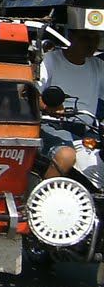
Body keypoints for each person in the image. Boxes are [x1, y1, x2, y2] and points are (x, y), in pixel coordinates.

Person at [37, 26, 104, 178]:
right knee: (66, 156)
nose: (91, 44)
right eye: (86, 38)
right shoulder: (52, 60)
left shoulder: (98, 66)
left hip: (87, 129)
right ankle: (45, 198)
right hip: (54, 126)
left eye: (96, 38)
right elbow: (33, 93)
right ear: (71, 36)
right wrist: (49, 106)